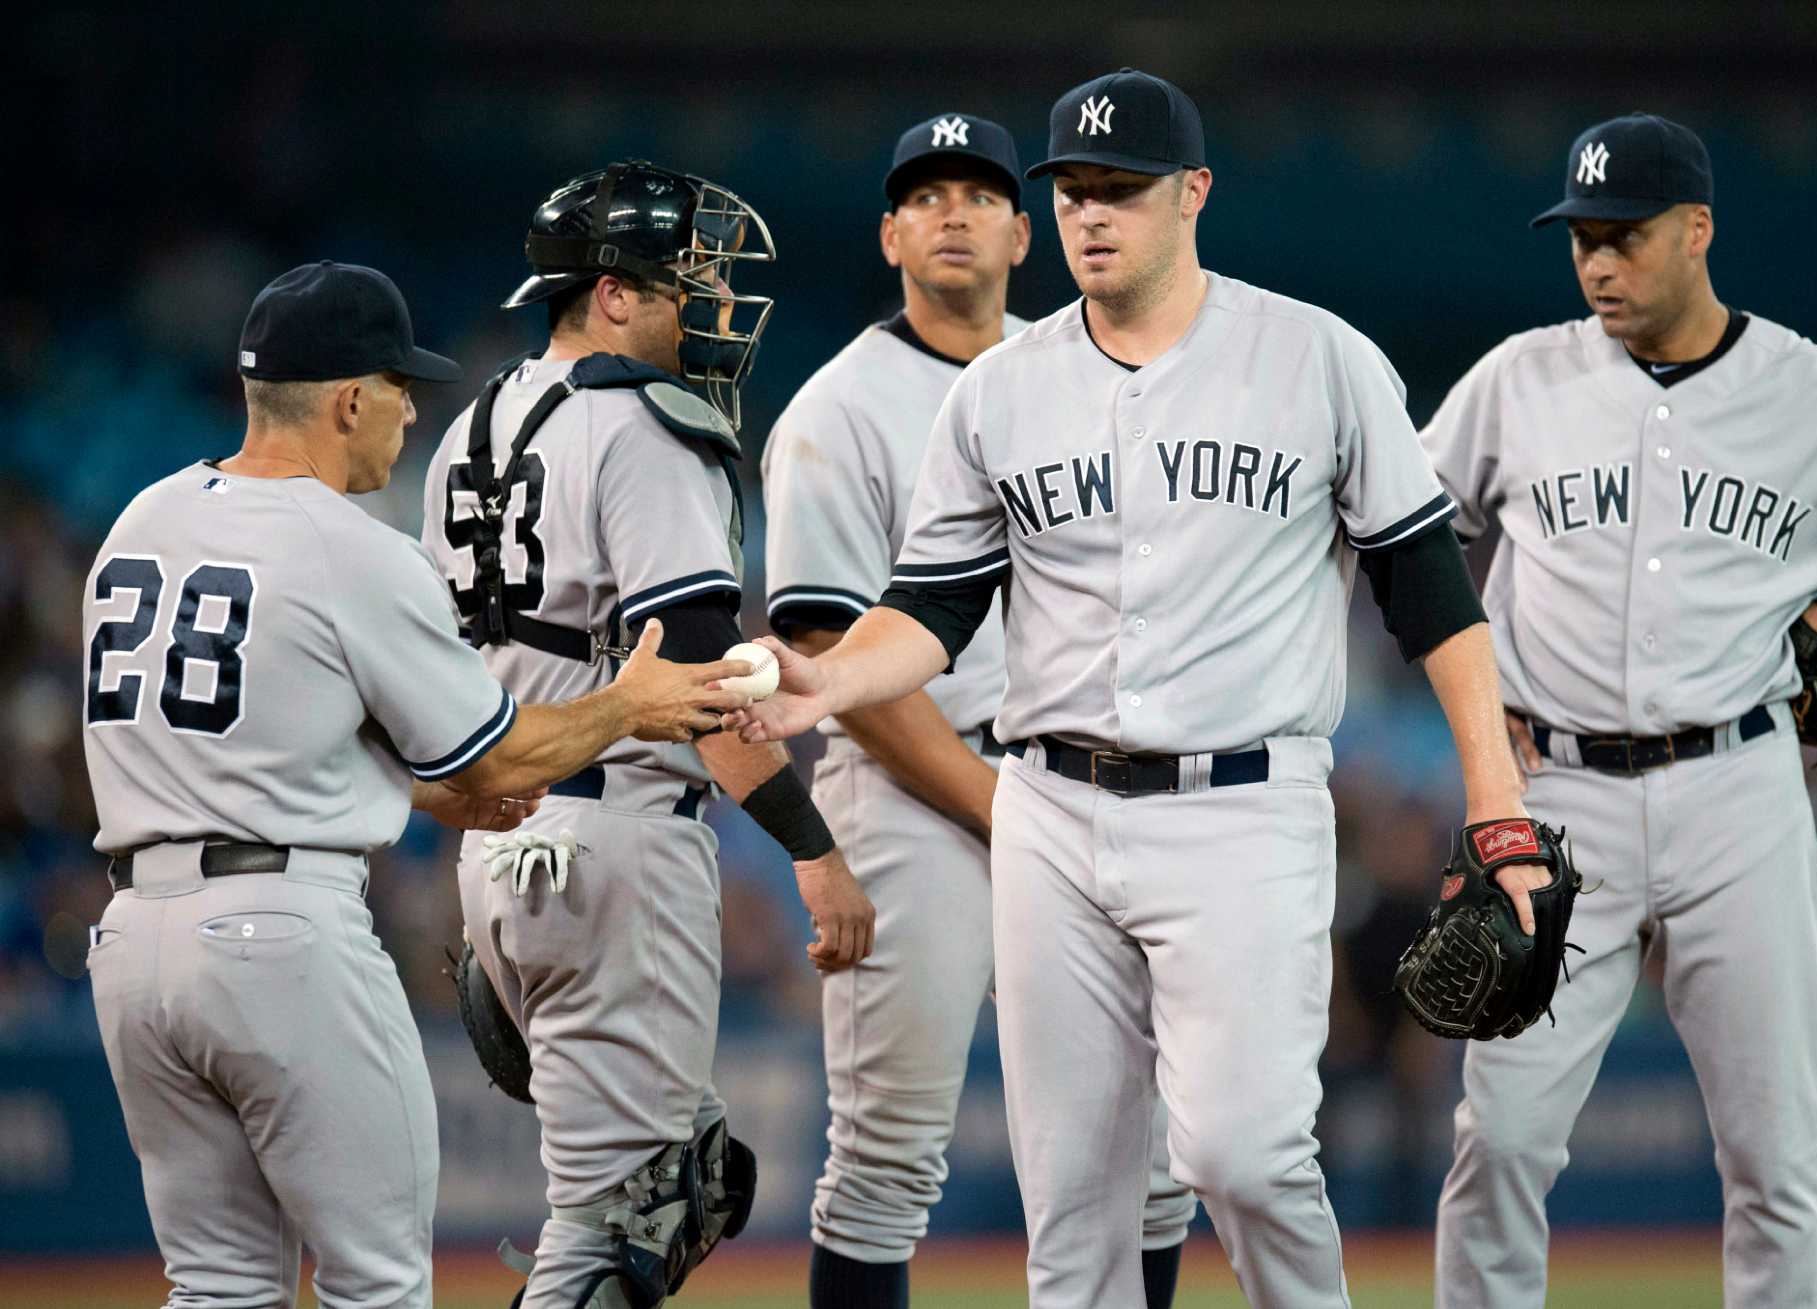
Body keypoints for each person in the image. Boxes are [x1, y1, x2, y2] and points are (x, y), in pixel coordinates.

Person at [729, 69, 1549, 1308]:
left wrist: (1495, 804)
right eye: (1073, 190)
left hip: (1242, 804)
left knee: (1242, 1155)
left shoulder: (1316, 359)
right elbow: (936, 607)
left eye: (1121, 189)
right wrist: (827, 676)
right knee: (1075, 1209)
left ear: (1193, 195)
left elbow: (1432, 594)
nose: (1091, 214)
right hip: (1048, 808)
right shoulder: (997, 389)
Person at [1421, 112, 1817, 1307]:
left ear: (1695, 231)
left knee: (1772, 1161)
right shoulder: (1515, 380)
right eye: (1580, 238)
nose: (1595, 261)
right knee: (1498, 1143)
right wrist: (1476, 700)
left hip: (1735, 791)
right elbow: (1410, 537)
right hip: (1559, 802)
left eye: (1623, 236)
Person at [81, 260, 749, 1309]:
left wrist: (437, 799)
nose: (407, 417)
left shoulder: (142, 522)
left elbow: (280, 742)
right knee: (378, 1282)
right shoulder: (350, 545)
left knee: (216, 1286)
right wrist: (630, 704)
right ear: (350, 398)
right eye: (400, 391)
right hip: (280, 936)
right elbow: (491, 754)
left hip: (130, 945)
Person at [420, 161, 875, 1309]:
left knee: (685, 1179)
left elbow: (435, 686)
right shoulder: (642, 425)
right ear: (612, 293)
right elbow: (702, 687)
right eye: (690, 281)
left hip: (504, 836)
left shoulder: (465, 432)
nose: (710, 307)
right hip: (617, 838)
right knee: (634, 1210)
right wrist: (812, 851)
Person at [762, 111, 1195, 1309]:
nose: (952, 212)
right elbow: (820, 654)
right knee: (889, 1161)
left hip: (1075, 784)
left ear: (1024, 230)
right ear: (891, 234)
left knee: (1159, 1156)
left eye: (979, 194)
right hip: (911, 794)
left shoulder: (1080, 379)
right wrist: (995, 803)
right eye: (925, 194)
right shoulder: (837, 408)